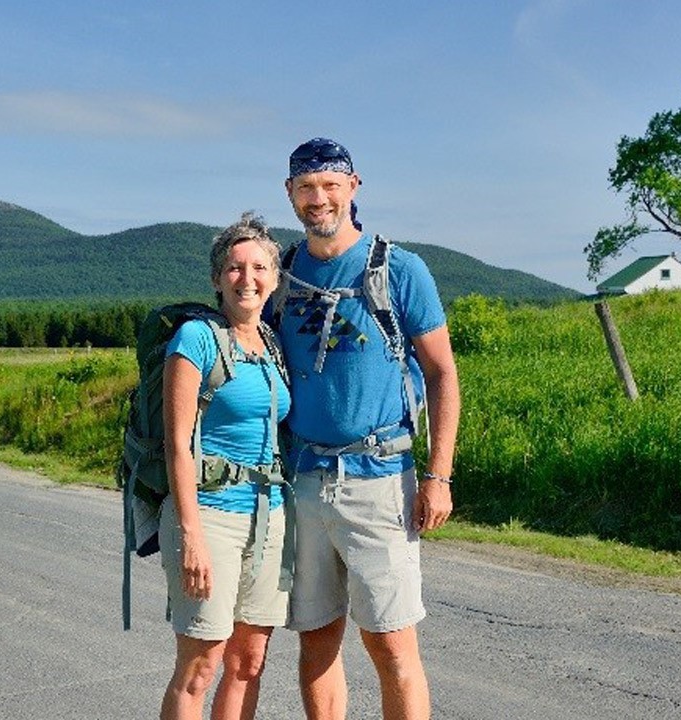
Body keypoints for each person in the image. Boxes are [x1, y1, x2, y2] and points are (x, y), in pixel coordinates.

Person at [273, 138, 461, 720]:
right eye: (306, 187)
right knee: (316, 640)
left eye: (330, 185)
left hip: (379, 479)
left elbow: (442, 374)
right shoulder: (280, 272)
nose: (318, 198)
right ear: (290, 195)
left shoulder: (399, 270)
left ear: (354, 187)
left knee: (391, 645)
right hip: (302, 482)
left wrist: (439, 476)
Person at [159, 213, 292, 720]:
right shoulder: (195, 339)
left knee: (249, 661)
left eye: (259, 267)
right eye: (235, 267)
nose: (247, 278)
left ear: (274, 280)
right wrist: (190, 534)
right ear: (217, 278)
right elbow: (177, 445)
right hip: (209, 516)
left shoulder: (273, 345)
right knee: (201, 665)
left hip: (270, 519)